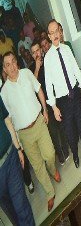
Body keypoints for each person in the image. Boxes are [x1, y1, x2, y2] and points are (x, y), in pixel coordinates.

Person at [1, 51, 59, 211]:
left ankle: (53, 170)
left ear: (16, 62)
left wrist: (45, 110)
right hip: (24, 134)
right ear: (4, 70)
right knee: (38, 166)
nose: (12, 66)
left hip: (39, 123)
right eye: (7, 64)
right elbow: (8, 121)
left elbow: (39, 89)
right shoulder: (4, 93)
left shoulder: (26, 73)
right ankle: (50, 193)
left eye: (13, 62)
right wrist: (17, 144)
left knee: (49, 154)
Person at [42, 20, 81, 176]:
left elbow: (75, 69)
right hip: (63, 102)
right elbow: (48, 85)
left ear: (60, 32)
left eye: (56, 31)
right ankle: (75, 154)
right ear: (49, 36)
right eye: (51, 33)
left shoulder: (66, 50)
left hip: (75, 96)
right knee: (71, 134)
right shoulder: (48, 58)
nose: (54, 35)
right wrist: (53, 106)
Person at [31, 41, 67, 165]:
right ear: (32, 55)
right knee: (52, 132)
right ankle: (60, 154)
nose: (36, 53)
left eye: (37, 50)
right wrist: (36, 68)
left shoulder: (49, 59)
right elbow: (32, 87)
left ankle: (66, 150)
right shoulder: (31, 69)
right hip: (44, 105)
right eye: (34, 52)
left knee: (61, 125)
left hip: (55, 99)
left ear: (41, 50)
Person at [0, 98, 32, 225]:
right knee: (11, 212)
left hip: (10, 157)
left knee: (21, 206)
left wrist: (18, 149)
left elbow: (7, 120)